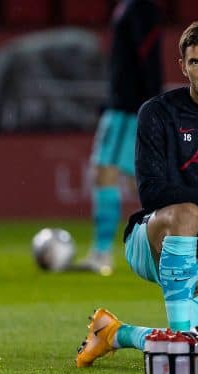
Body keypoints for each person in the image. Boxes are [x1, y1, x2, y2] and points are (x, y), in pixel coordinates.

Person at [75, 20, 198, 367]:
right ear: (183, 66)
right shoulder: (158, 113)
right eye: (195, 63)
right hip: (152, 238)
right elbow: (151, 192)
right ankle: (180, 341)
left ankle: (114, 333)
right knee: (188, 213)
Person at [78, 0, 163, 275]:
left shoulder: (140, 7)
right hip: (124, 104)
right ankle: (179, 245)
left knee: (107, 173)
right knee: (132, 179)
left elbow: (149, 56)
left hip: (129, 107)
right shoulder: (130, 6)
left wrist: (151, 103)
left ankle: (102, 253)